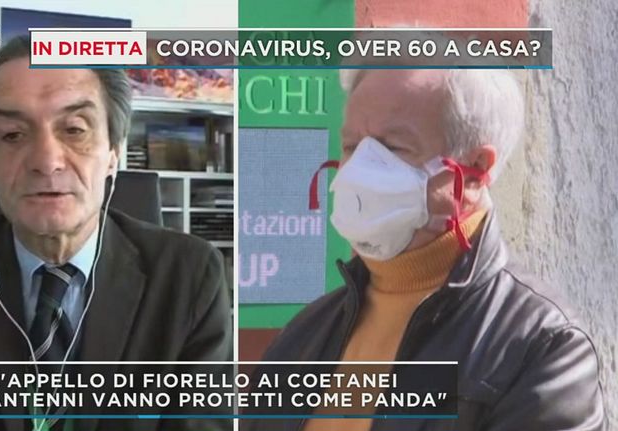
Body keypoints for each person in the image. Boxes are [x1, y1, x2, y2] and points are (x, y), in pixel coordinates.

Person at [0, 36, 233, 431]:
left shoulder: (190, 277)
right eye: (12, 135)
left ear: (114, 152)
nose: (47, 160)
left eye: (74, 129)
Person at [243, 69, 605, 431]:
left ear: (475, 170)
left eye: (393, 148)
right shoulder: (304, 335)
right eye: (352, 146)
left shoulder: (541, 348)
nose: (359, 171)